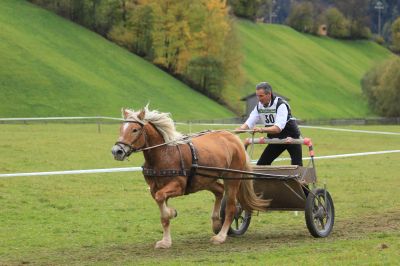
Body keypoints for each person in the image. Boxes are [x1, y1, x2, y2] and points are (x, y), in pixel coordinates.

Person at [236, 82, 303, 166]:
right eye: (257, 96)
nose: (259, 99)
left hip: (292, 138)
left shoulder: (281, 105)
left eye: (261, 96)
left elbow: (277, 128)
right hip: (275, 139)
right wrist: (239, 130)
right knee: (262, 165)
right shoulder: (259, 106)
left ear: (269, 94)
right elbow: (249, 123)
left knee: (297, 167)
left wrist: (261, 129)